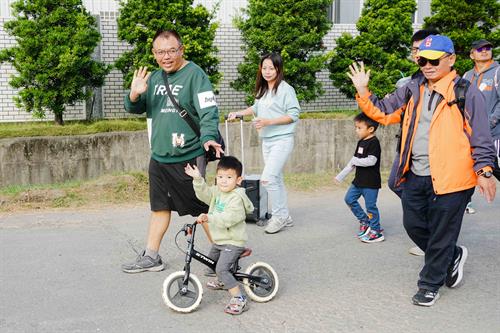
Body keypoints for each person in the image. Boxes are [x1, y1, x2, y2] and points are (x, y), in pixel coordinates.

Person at [348, 35, 496, 306]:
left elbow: (481, 136)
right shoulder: (412, 87)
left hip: (453, 178)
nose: (426, 65)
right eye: (421, 59)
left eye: (433, 60)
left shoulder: (465, 91)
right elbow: (384, 112)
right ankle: (451, 257)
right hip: (415, 173)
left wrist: (485, 171)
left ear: (450, 60)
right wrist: (364, 91)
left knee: (441, 233)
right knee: (413, 224)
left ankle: (429, 284)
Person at [121, 30, 223, 273]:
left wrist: (208, 137)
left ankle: (225, 256)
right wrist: (134, 93)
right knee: (159, 207)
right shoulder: (155, 78)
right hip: (159, 156)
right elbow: (133, 107)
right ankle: (151, 255)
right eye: (160, 52)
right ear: (154, 53)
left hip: (187, 157)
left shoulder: (195, 75)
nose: (165, 56)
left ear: (181, 49)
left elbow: (209, 112)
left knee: (202, 208)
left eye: (170, 50)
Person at [227, 52, 301, 234]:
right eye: (264, 68)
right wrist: (238, 113)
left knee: (268, 179)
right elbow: (256, 108)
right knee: (277, 178)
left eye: (271, 68)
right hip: (267, 141)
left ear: (278, 69)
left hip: (282, 140)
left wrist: (268, 122)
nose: (267, 71)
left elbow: (294, 115)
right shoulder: (264, 90)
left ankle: (279, 217)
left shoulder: (285, 89)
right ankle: (285, 215)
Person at [184, 156, 254, 315]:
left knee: (221, 269)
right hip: (220, 241)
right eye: (220, 177)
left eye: (229, 177)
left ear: (238, 180)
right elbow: (205, 194)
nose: (223, 181)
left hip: (233, 241)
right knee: (211, 265)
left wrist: (210, 217)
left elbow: (228, 219)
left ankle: (239, 298)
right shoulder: (217, 192)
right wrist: (198, 179)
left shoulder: (236, 198)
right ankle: (224, 280)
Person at [393, 28, 439, 256]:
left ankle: (436, 240)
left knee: (434, 195)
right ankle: (430, 234)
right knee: (396, 183)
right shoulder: (412, 81)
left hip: (434, 153)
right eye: (416, 51)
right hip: (408, 146)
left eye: (424, 50)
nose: (420, 55)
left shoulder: (451, 84)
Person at [462, 39, 500, 214]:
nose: (484, 51)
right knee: (468, 169)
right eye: (479, 49)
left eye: (488, 48)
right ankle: (463, 203)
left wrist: (490, 121)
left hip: (495, 135)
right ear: (472, 54)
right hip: (471, 136)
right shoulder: (467, 76)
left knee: (496, 168)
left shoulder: (498, 71)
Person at [335, 113, 383, 243]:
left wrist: (356, 160)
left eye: (359, 128)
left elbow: (372, 161)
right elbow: (353, 162)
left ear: (370, 129)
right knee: (349, 199)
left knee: (371, 207)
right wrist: (340, 176)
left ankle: (376, 231)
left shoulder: (374, 143)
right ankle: (364, 220)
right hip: (358, 181)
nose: (356, 130)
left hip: (370, 183)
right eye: (356, 127)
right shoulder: (361, 142)